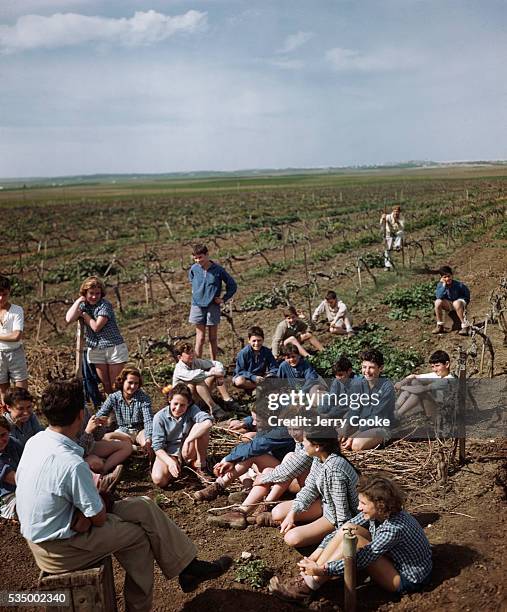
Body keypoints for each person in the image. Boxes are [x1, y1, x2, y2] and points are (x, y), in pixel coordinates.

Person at [15, 379, 232, 612]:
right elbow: (97, 518)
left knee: (143, 505)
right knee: (138, 537)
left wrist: (84, 506)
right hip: (60, 548)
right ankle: (138, 608)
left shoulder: (35, 442)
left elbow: (23, 481)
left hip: (49, 530)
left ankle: (189, 567)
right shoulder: (71, 463)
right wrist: (93, 505)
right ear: (80, 415)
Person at [269, 476, 432, 605]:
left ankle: (308, 586)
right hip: (392, 559)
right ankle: (309, 579)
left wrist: (324, 570)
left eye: (363, 503)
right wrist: (316, 555)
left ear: (380, 505)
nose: (359, 507)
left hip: (406, 579)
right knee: (349, 529)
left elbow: (361, 558)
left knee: (356, 541)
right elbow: (344, 529)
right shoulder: (380, 512)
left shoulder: (394, 528)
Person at [209, 424, 312, 529]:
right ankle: (242, 511)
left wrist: (266, 477)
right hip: (291, 476)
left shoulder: (311, 441)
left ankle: (265, 505)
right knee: (266, 467)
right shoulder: (298, 439)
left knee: (289, 457)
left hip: (305, 486)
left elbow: (292, 467)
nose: (253, 423)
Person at [269, 428, 359, 548]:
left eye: (306, 441)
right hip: (326, 504)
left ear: (317, 446)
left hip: (336, 516)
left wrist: (327, 543)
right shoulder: (319, 458)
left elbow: (343, 516)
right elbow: (309, 488)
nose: (303, 443)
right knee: (277, 513)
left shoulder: (334, 470)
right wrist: (292, 514)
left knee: (292, 538)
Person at [194, 418, 295, 505]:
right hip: (279, 464)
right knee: (246, 450)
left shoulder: (283, 430)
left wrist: (228, 459)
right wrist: (247, 421)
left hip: (290, 477)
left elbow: (255, 447)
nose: (254, 424)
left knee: (250, 455)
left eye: (257, 420)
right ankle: (227, 486)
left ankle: (222, 486)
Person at [65, 276, 128, 393]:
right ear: (85, 293)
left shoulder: (105, 305)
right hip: (96, 348)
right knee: (106, 384)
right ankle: (112, 409)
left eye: (97, 293)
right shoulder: (84, 305)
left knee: (116, 384)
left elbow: (96, 327)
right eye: (91, 293)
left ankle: (122, 409)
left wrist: (84, 315)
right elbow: (68, 319)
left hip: (113, 347)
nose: (94, 296)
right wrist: (79, 301)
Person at [151, 383, 213, 487]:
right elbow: (157, 447)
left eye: (183, 405)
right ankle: (181, 467)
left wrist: (189, 439)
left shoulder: (192, 410)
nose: (178, 408)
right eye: (175, 404)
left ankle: (201, 465)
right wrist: (170, 462)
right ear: (170, 400)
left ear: (188, 404)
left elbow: (208, 422)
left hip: (188, 449)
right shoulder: (159, 417)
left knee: (202, 427)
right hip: (170, 452)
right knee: (159, 480)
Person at [188, 243, 237, 361]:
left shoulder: (218, 270)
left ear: (207, 255)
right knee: (200, 338)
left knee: (213, 338)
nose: (198, 260)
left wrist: (223, 299)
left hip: (212, 306)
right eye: (195, 258)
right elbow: (192, 281)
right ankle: (197, 363)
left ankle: (213, 363)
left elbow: (232, 285)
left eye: (200, 257)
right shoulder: (194, 269)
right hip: (197, 306)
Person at [341, 349, 395, 451]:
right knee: (337, 436)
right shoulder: (358, 383)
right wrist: (346, 431)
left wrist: (354, 434)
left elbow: (377, 416)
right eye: (364, 367)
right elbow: (354, 410)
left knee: (356, 445)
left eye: (371, 368)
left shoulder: (387, 387)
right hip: (360, 423)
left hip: (380, 426)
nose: (366, 371)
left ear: (381, 368)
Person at [96, 366, 153, 455]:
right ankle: (133, 448)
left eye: (136, 383)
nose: (133, 386)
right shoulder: (113, 397)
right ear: (122, 381)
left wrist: (148, 439)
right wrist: (99, 421)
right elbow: (101, 414)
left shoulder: (143, 398)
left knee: (149, 442)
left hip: (140, 431)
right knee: (107, 438)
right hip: (123, 431)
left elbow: (148, 420)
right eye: (130, 383)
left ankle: (136, 448)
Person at [172, 341, 237, 420]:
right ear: (180, 357)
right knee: (194, 383)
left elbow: (215, 363)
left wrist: (219, 374)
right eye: (188, 353)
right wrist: (212, 373)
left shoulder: (195, 362)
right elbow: (194, 376)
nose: (192, 355)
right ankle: (214, 408)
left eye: (192, 351)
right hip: (184, 401)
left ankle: (227, 400)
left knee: (213, 371)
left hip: (198, 397)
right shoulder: (179, 369)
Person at [395, 350, 454, 419]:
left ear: (447, 364)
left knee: (420, 392)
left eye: (437, 366)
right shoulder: (437, 375)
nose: (434, 369)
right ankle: (394, 408)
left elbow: (422, 389)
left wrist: (402, 387)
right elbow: (413, 376)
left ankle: (397, 415)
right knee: (414, 382)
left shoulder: (448, 380)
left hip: (443, 414)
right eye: (432, 366)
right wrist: (401, 383)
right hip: (435, 406)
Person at [0, 275, 28, 402]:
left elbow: (16, 336)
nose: (1, 298)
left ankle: (24, 419)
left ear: (9, 292)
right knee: (3, 393)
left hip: (15, 353)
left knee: (21, 392)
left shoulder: (16, 310)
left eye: (4, 294)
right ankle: (6, 419)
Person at [233, 326, 278, 391]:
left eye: (259, 340)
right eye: (254, 341)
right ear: (249, 340)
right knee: (239, 381)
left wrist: (268, 375)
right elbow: (240, 371)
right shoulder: (243, 353)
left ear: (263, 340)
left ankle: (260, 387)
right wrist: (253, 377)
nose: (256, 343)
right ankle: (259, 387)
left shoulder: (267, 351)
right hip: (247, 378)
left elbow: (274, 367)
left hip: (261, 377)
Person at [433, 266, 471, 335]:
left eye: (448, 276)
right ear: (441, 278)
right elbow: (438, 296)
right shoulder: (440, 285)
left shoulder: (458, 285)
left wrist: (463, 303)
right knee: (437, 302)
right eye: (445, 277)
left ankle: (465, 326)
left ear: (452, 275)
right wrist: (443, 285)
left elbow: (467, 296)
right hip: (450, 303)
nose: (447, 279)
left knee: (456, 303)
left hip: (459, 302)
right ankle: (440, 325)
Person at [0, 414, 23, 519]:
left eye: (3, 435)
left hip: (23, 488)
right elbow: (16, 479)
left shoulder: (13, 443)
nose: (0, 441)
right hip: (7, 498)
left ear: (9, 431)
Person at [380, 205, 405, 270]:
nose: (396, 213)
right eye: (395, 211)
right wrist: (383, 219)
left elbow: (402, 227)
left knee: (401, 233)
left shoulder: (401, 218)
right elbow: (381, 224)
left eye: (397, 212)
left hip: (396, 234)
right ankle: (387, 266)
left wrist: (398, 222)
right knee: (388, 250)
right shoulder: (388, 217)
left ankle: (397, 246)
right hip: (388, 234)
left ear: (399, 212)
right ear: (393, 211)